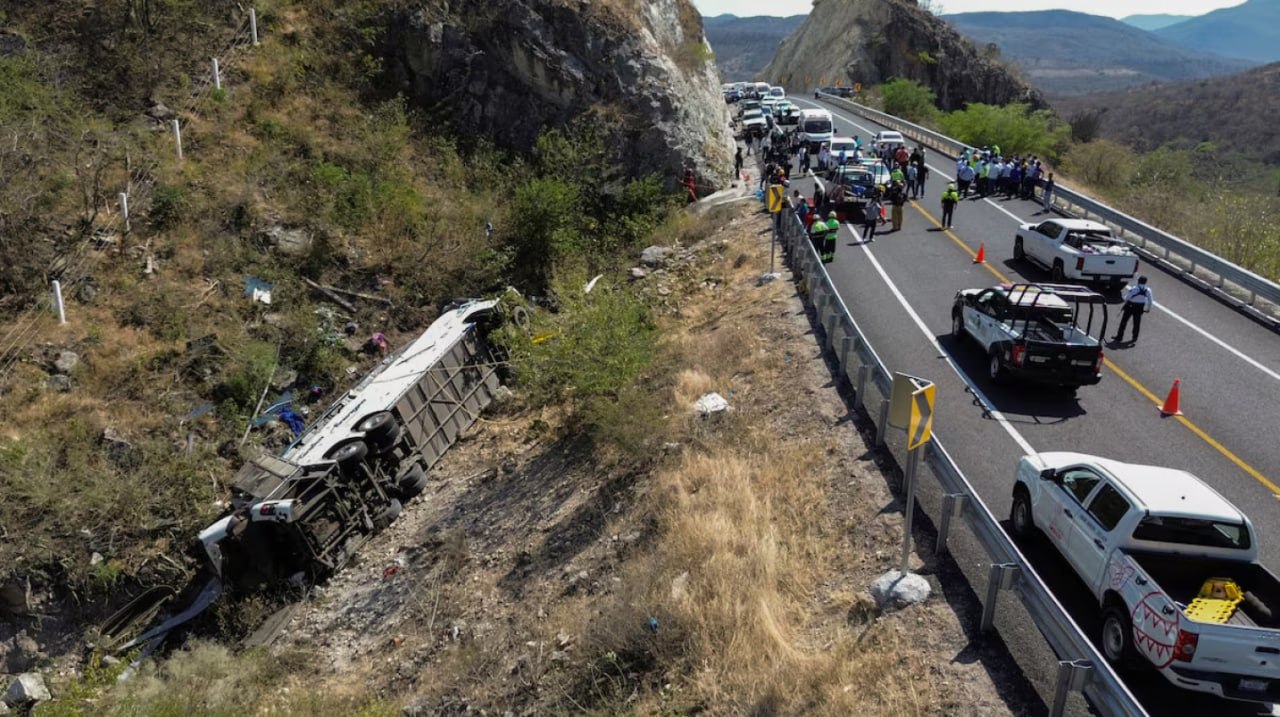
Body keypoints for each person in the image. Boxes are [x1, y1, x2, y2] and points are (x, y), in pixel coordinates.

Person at [1112, 276, 1154, 344]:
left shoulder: (1134, 289)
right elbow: (1150, 301)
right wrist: (1148, 309)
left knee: (1124, 322)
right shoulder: (1148, 290)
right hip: (1140, 307)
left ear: (1138, 281)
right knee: (1137, 323)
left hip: (1130, 306)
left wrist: (1124, 299)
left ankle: (1119, 337)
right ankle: (1134, 337)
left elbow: (1127, 297)